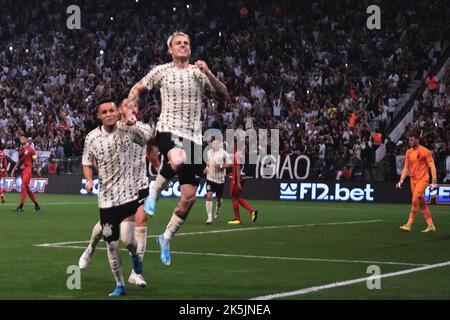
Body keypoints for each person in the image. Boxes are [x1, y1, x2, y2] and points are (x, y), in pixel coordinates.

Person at [127, 31, 229, 266]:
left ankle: (165, 237)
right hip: (168, 130)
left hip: (194, 137)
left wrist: (209, 72)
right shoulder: (161, 71)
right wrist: (131, 110)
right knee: (178, 158)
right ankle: (154, 191)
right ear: (170, 50)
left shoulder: (198, 73)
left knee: (189, 198)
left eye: (186, 43)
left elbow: (224, 95)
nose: (183, 46)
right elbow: (137, 88)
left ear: (190, 49)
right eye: (178, 44)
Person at [78, 98, 160, 288]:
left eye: (134, 106)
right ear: (120, 110)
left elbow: (151, 148)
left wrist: (160, 169)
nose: (131, 109)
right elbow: (93, 157)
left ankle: (135, 272)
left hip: (138, 184)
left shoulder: (140, 128)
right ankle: (90, 248)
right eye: (126, 106)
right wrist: (97, 176)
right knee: (104, 227)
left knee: (140, 223)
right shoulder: (104, 133)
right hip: (113, 190)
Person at [396, 133, 438, 232]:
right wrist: (401, 180)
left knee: (415, 200)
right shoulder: (408, 152)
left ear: (417, 140)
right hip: (413, 180)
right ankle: (431, 225)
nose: (409, 142)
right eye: (409, 140)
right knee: (421, 203)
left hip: (423, 180)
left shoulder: (425, 151)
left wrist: (434, 181)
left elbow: (432, 166)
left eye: (411, 140)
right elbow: (406, 167)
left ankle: (408, 224)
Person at [228, 139, 258, 225]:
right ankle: (252, 211)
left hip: (236, 179)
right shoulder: (237, 154)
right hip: (237, 177)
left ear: (235, 145)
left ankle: (238, 219)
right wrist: (228, 174)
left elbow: (238, 168)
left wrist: (237, 182)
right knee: (237, 198)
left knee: (234, 198)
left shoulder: (236, 154)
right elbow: (236, 168)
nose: (230, 145)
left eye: (231, 144)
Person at [204, 139, 231, 224]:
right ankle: (209, 217)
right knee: (209, 196)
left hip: (220, 180)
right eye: (214, 143)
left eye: (217, 143)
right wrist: (206, 168)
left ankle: (218, 207)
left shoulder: (224, 153)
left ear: (220, 145)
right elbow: (208, 163)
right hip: (210, 178)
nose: (215, 145)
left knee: (218, 199)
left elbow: (229, 164)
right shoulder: (209, 152)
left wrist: (221, 166)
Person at [11, 135, 41, 212]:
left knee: (23, 185)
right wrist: (13, 170)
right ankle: (37, 205)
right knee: (27, 189)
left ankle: (21, 206)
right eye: (20, 138)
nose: (21, 139)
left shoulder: (31, 149)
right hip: (23, 170)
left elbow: (35, 159)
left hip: (28, 169)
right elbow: (19, 161)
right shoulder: (21, 150)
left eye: (22, 138)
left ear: (26, 140)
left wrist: (37, 169)